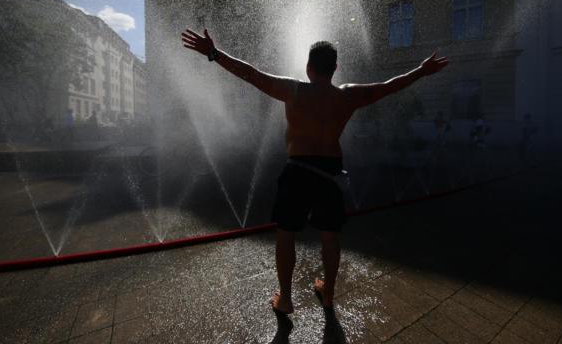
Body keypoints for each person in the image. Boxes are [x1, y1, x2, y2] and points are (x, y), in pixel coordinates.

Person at [181, 29, 448, 313]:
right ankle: (329, 294)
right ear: (335, 69)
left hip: (297, 169)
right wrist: (421, 71)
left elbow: (251, 74)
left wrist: (214, 53)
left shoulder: (293, 90)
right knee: (330, 236)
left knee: (286, 234)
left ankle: (285, 299)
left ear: (309, 68)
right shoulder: (347, 97)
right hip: (330, 172)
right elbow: (388, 86)